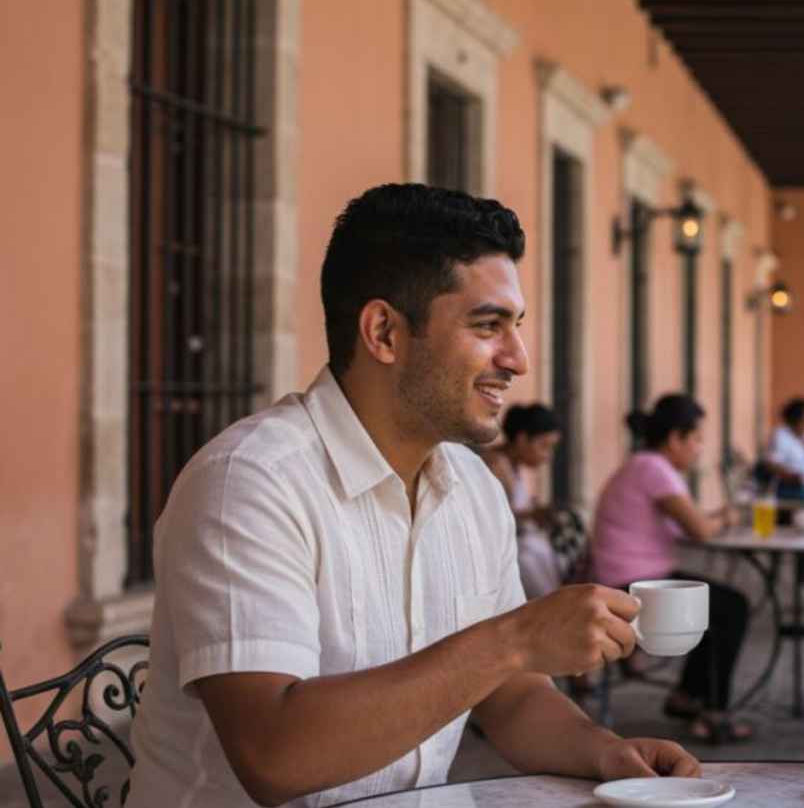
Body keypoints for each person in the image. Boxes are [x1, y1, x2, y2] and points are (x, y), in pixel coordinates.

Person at [128, 184, 698, 808]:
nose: (519, 359)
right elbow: (274, 754)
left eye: (518, 327)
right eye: (489, 325)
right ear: (384, 332)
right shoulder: (249, 482)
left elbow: (509, 697)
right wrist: (513, 638)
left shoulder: (473, 487)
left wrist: (604, 752)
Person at [590, 394, 752, 744]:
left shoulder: (644, 465)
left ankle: (689, 697)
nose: (698, 449)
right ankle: (712, 711)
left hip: (631, 580)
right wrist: (729, 515)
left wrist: (714, 519)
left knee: (718, 604)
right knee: (731, 608)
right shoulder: (654, 469)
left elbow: (686, 524)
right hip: (630, 590)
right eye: (695, 439)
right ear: (675, 438)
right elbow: (700, 530)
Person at [473, 403, 567, 599]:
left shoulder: (512, 466)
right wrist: (532, 514)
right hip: (516, 557)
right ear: (523, 439)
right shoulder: (496, 465)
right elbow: (490, 521)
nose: (547, 456)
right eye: (544, 446)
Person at [764, 397, 804, 499]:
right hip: (787, 487)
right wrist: (793, 476)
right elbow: (771, 463)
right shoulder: (780, 434)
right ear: (798, 418)